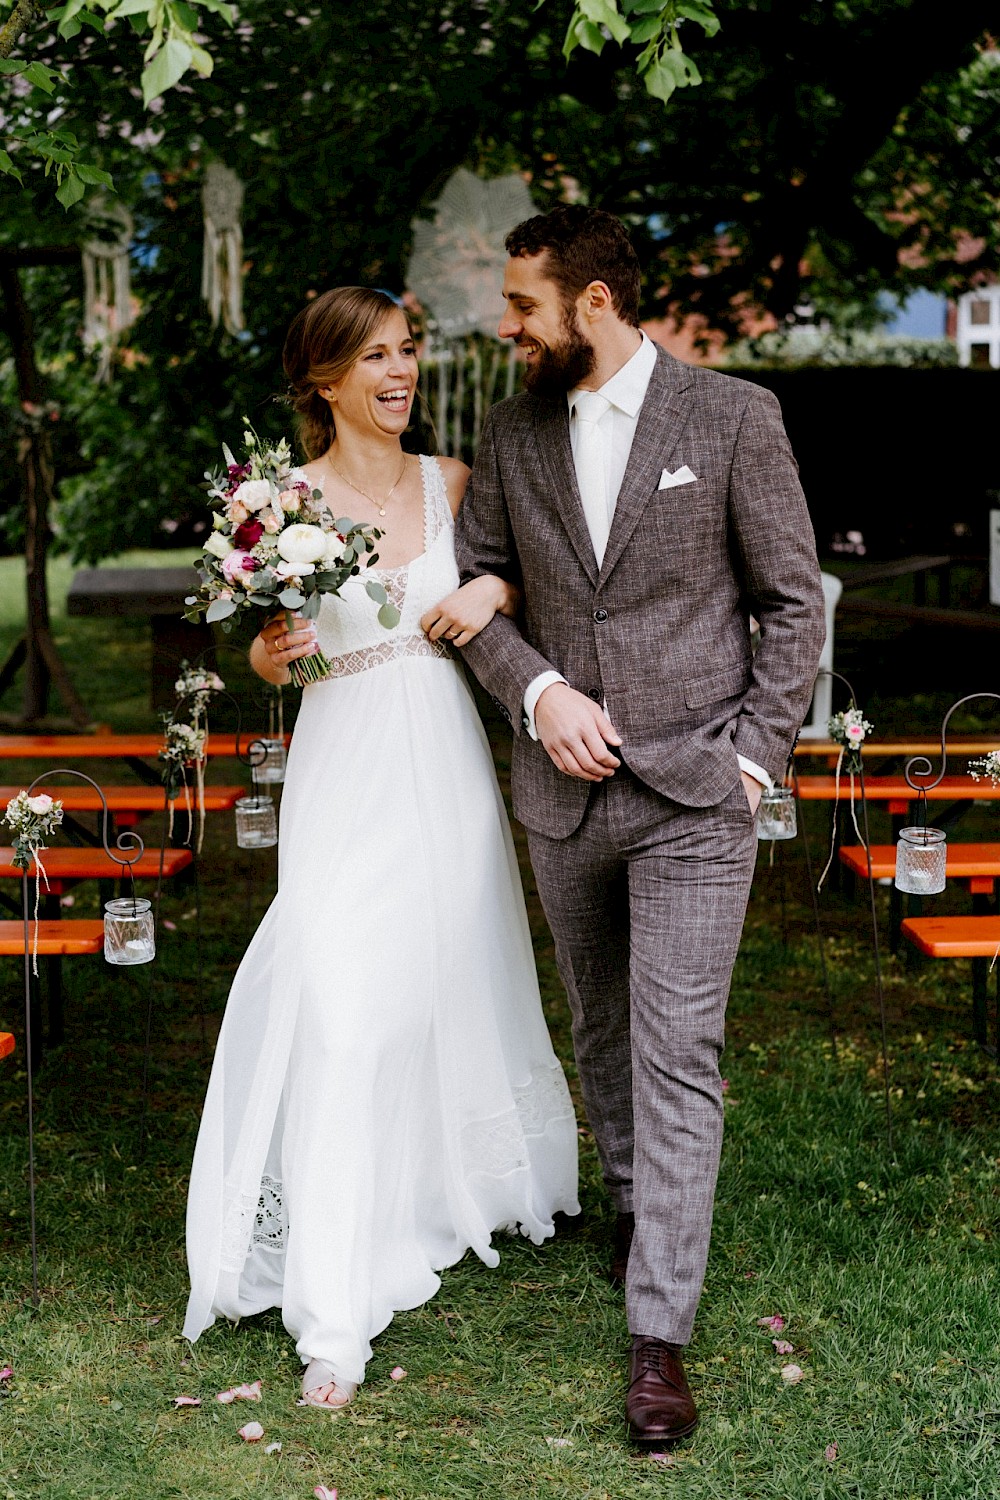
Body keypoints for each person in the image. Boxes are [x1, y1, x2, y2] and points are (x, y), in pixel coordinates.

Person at [454, 206, 826, 1444]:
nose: (506, 328)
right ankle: (638, 1202)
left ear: (595, 301)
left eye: (523, 306)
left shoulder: (732, 418)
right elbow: (477, 591)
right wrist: (540, 690)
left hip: (693, 798)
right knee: (600, 1029)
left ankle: (658, 1335)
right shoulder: (509, 433)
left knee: (677, 1049)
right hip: (561, 798)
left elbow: (789, 604)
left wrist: (752, 765)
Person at [183, 286, 580, 1408]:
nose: (398, 373)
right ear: (323, 380)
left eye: (406, 353)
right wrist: (272, 650)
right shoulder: (273, 504)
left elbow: (530, 582)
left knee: (438, 983)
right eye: (373, 359)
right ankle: (334, 1301)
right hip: (344, 764)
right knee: (344, 1004)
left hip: (445, 766)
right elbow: (268, 663)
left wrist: (494, 578)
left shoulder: (450, 483)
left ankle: (432, 1188)